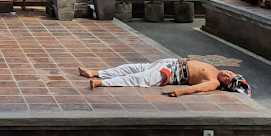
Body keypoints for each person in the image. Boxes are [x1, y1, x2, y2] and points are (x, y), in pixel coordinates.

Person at [78, 58, 251, 97]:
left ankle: (101, 83)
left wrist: (179, 92)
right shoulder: (215, 70)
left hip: (169, 74)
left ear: (225, 84)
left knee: (137, 78)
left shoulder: (213, 82)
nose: (227, 74)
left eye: (228, 78)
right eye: (230, 73)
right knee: (131, 67)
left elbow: (196, 88)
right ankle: (96, 72)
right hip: (169, 63)